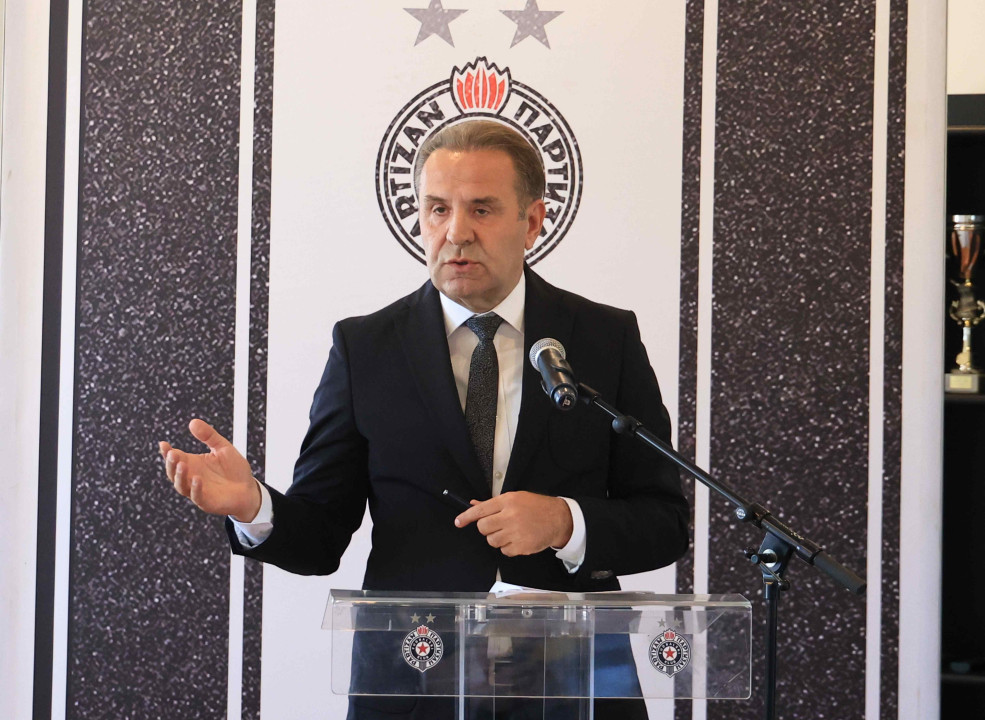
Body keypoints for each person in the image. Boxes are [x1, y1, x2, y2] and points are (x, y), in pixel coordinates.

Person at [160, 120, 689, 719]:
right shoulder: (366, 349)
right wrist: (253, 506)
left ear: (533, 221)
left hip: (573, 684)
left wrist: (566, 522)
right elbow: (320, 537)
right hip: (412, 683)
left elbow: (665, 521)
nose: (456, 232)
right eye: (438, 209)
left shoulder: (604, 339)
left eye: (482, 209)